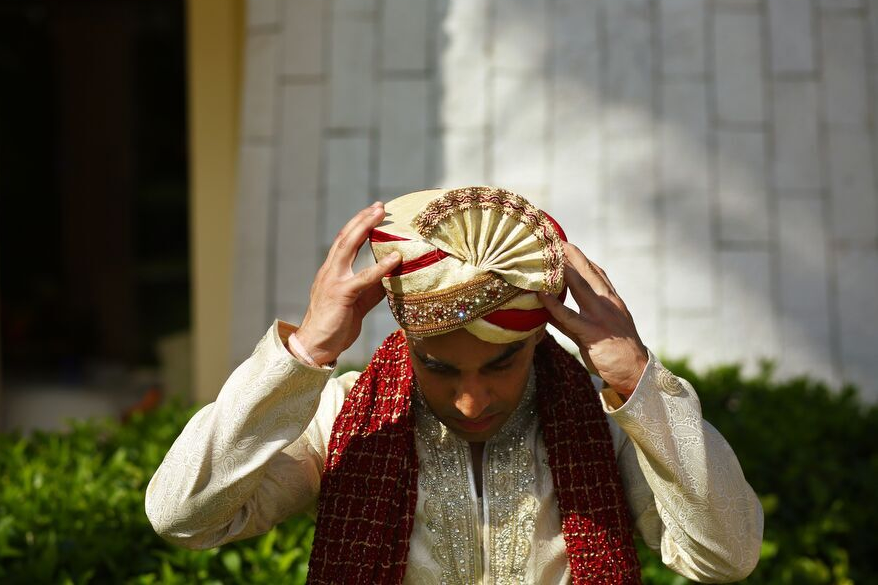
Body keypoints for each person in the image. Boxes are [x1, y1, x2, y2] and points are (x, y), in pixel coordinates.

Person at [145, 187, 763, 584]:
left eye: (500, 364)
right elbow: (184, 516)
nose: (472, 400)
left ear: (538, 340)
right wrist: (306, 352)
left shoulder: (609, 423)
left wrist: (634, 380)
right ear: (409, 342)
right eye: (441, 368)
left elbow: (725, 555)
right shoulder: (342, 416)